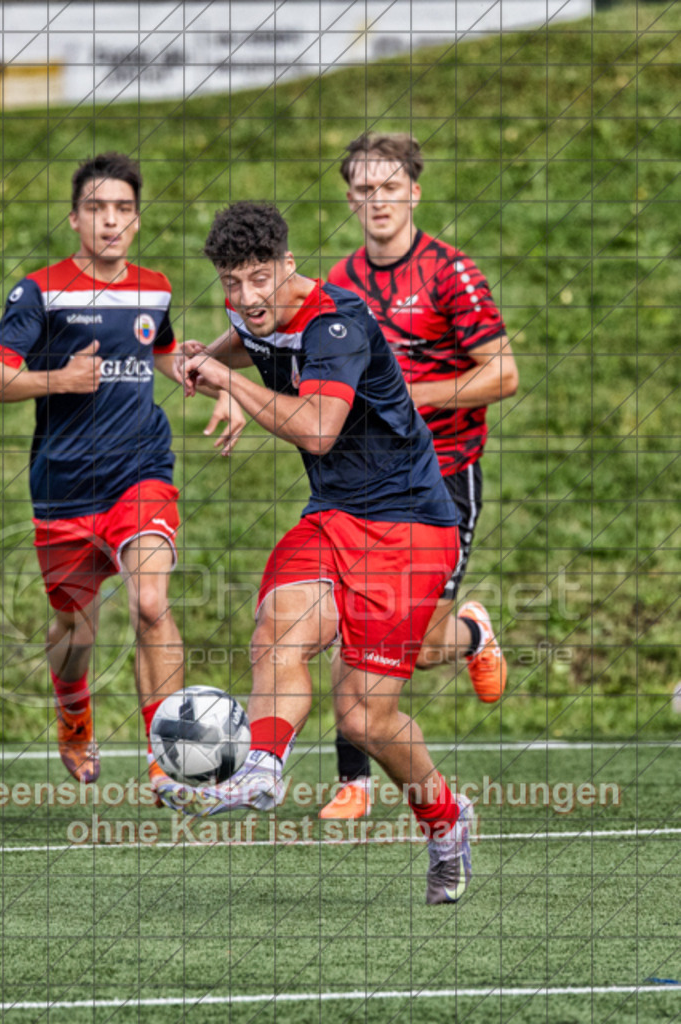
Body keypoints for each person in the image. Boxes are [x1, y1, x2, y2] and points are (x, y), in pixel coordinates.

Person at [179, 201, 472, 904]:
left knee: (362, 717)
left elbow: (316, 429)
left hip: (407, 525)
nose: (245, 297)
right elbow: (219, 354)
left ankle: (446, 822)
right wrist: (201, 369)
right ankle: (262, 767)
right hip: (334, 515)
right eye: (230, 281)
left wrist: (233, 388)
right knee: (277, 628)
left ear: (287, 266)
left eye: (258, 278)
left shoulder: (338, 325)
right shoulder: (255, 316)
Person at [0, 153, 243, 796]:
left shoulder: (154, 286)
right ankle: (73, 714)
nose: (111, 220)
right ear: (76, 219)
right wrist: (59, 380)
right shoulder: (38, 291)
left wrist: (226, 385)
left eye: (123, 209)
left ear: (137, 219)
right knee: (76, 627)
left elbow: (163, 352)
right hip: (64, 486)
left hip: (140, 472)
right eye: (97, 208)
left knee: (151, 604)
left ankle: (168, 757)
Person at [321, 132, 520, 819]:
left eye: (389, 187)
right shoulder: (340, 283)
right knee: (349, 622)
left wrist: (417, 395)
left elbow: (503, 373)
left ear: (413, 191)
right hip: (365, 481)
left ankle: (470, 633)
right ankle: (352, 781)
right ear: (350, 198)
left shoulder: (448, 273)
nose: (377, 200)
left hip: (442, 479)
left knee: (401, 641)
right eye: (364, 189)